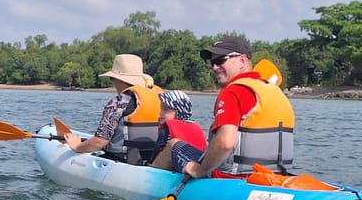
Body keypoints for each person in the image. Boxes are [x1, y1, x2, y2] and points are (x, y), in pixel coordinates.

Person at [182, 36, 295, 179]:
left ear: (242, 61)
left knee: (175, 146)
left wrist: (198, 170)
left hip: (232, 178)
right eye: (212, 63)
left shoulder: (233, 92)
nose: (214, 67)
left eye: (220, 60)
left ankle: (148, 179)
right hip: (275, 177)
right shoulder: (276, 92)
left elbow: (225, 143)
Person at [63, 54, 163, 162]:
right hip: (153, 160)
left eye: (112, 78)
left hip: (121, 160)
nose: (113, 82)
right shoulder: (162, 99)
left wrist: (77, 146)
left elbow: (99, 142)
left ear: (120, 80)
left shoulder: (119, 102)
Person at [149, 90, 207, 171]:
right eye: (161, 109)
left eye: (165, 110)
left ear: (179, 111)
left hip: (170, 170)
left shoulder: (167, 129)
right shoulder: (196, 127)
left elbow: (157, 151)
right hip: (194, 165)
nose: (161, 113)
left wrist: (150, 163)